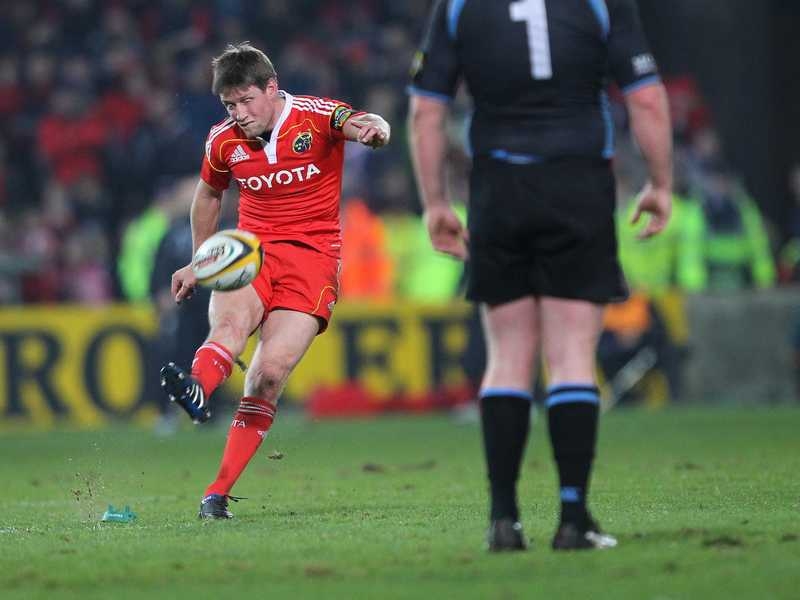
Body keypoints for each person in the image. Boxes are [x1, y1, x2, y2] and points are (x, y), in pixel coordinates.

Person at [408, 0, 672, 551]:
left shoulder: (458, 7)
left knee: (507, 355)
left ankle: (504, 521)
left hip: (499, 186)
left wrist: (435, 201)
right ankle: (574, 519)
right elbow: (645, 98)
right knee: (572, 354)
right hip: (578, 183)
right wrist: (661, 182)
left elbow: (426, 112)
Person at [160, 42, 390, 519]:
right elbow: (207, 195)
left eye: (247, 101)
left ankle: (217, 493)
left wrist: (376, 130)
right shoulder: (222, 140)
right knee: (228, 328)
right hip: (253, 251)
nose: (239, 114)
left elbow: (360, 122)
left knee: (267, 376)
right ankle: (199, 387)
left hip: (313, 261)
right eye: (230, 105)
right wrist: (199, 261)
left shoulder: (315, 115)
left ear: (272, 88)